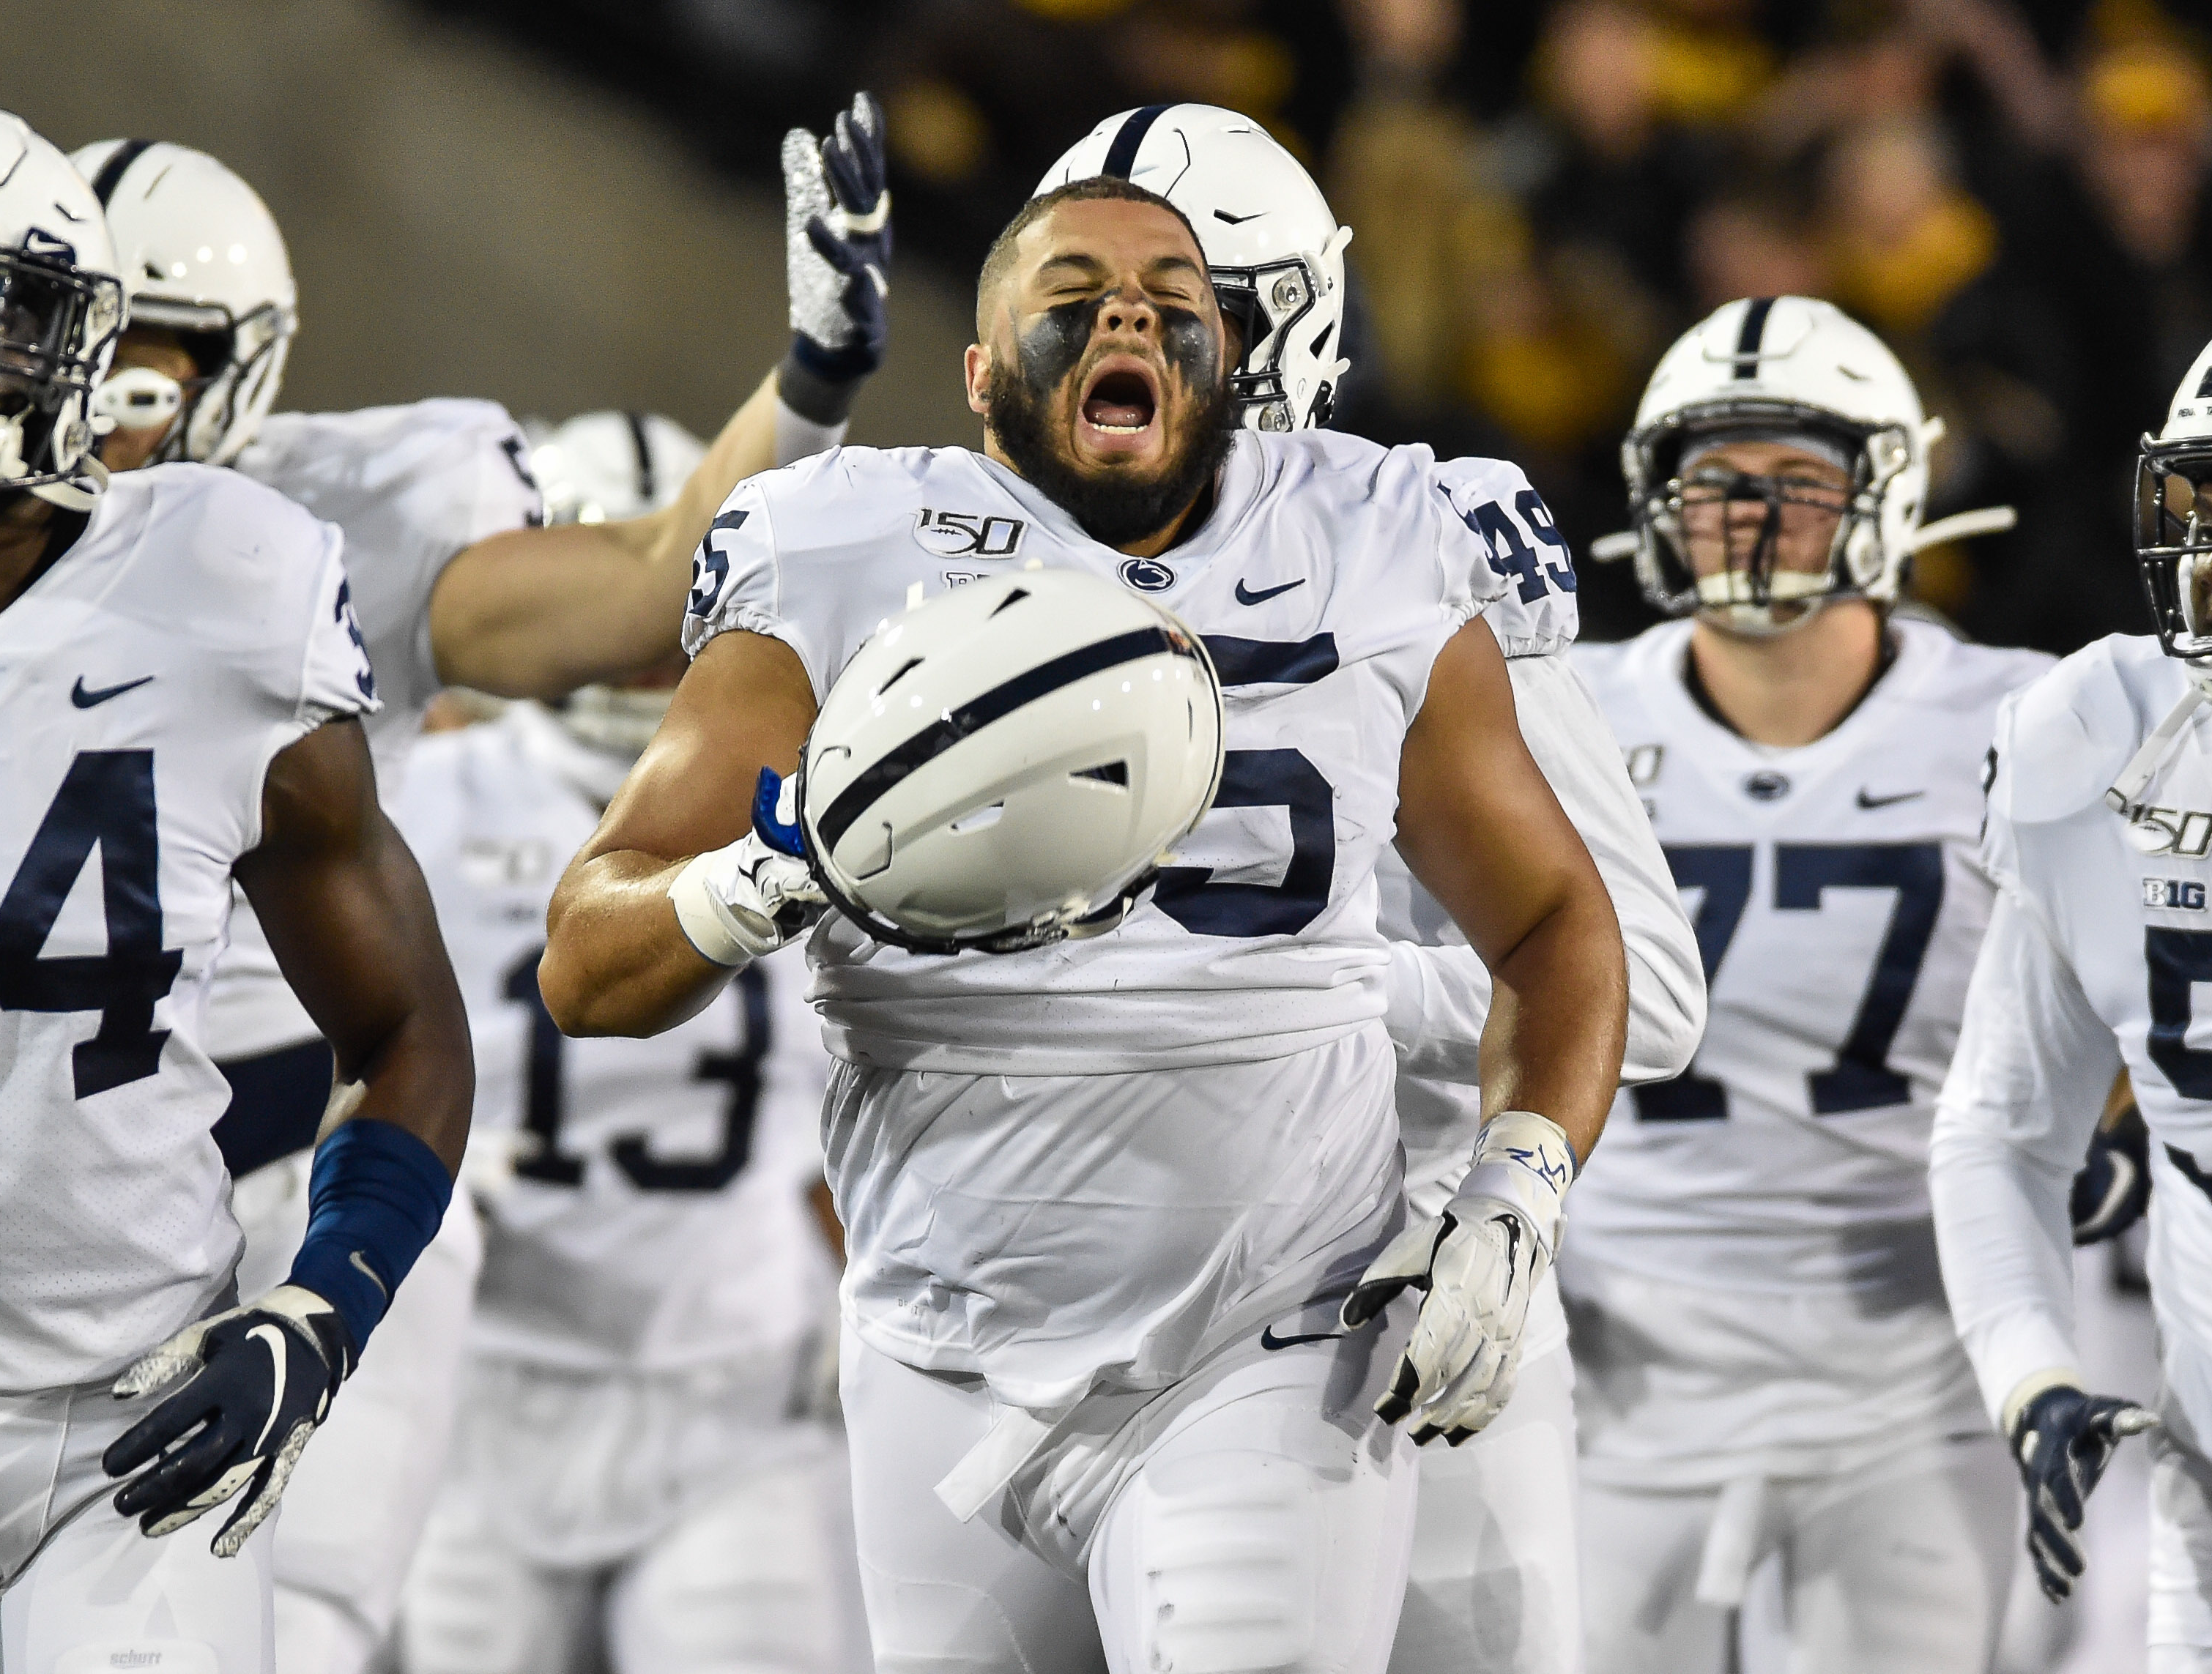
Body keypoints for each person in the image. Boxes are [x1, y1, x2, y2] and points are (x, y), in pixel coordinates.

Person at [538, 176, 1630, 1673]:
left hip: (1270, 1334)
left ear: (1225, 363)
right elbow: (587, 963)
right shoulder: (842, 542)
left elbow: (1557, 919)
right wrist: (769, 879)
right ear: (981, 372)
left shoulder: (1373, 537)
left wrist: (1516, 1192)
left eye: (1175, 297)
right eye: (1073, 294)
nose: (1129, 311)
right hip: (937, 1348)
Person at [66, 96, 891, 1672]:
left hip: (285, 1174)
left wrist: (811, 385)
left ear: (241, 364)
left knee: (286, 1633)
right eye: (56, 329)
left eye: (147, 349)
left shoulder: (319, 529)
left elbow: (646, 575)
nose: (101, 393)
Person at [1035, 103, 1706, 1674]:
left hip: (1401, 1276)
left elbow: (1649, 990)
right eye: (1080, 305)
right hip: (1090, 1271)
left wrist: (1331, 986)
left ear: (1286, 328)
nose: (1129, 352)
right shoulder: (992, 559)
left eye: (1187, 310)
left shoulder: (1414, 544)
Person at [0, 103, 470, 1671]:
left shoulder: (223, 580)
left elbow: (404, 1025)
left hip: (140, 1385)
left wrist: (325, 1305)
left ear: (84, 348)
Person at [1558, 294, 2051, 1673]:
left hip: (1911, 1371)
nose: (1752, 515)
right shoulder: (1556, 709)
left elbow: (2147, 974)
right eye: (1716, 479)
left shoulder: (2030, 718)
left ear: (1883, 490)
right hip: (1612, 1357)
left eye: (1798, 478)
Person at [394, 413, 857, 1673]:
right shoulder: (425, 799)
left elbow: (866, 1102)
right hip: (480, 1383)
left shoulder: (820, 797)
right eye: (629, 616)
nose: (653, 656)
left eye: (681, 621)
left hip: (734, 1388)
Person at [1933, 292, 2212, 1674]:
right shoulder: (2104, 737)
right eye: (2197, 509)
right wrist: (2031, 1377)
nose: (2211, 560)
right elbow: (1999, 1126)